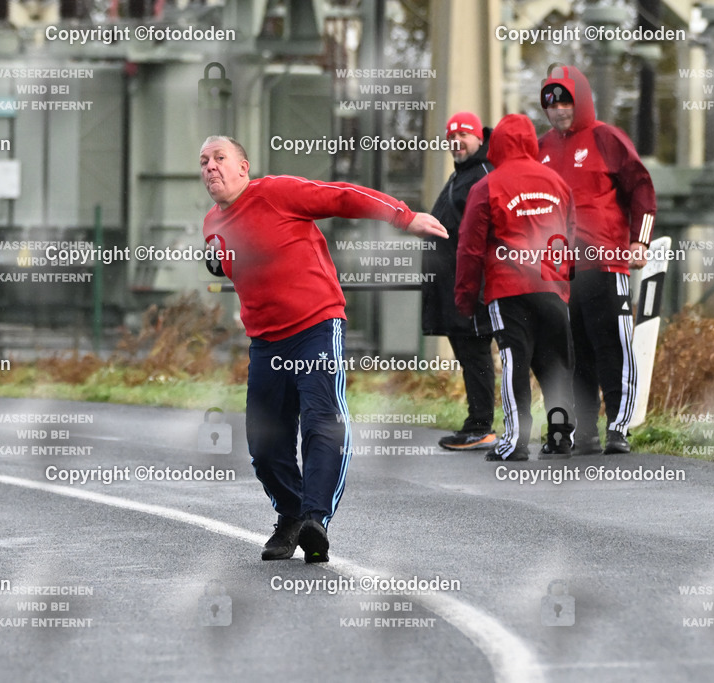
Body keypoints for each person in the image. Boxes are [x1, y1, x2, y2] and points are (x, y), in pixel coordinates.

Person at [199, 135, 448, 562]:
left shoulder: (277, 193)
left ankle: (316, 520)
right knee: (264, 445)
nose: (210, 168)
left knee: (321, 419)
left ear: (244, 166)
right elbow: (224, 261)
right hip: (265, 341)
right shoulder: (211, 223)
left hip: (316, 325)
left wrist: (403, 218)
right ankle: (292, 514)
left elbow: (343, 197)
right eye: (203, 162)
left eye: (220, 158)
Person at [538, 64, 657, 454]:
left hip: (605, 265)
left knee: (612, 347)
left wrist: (639, 242)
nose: (558, 110)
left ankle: (618, 429)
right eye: (551, 103)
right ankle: (585, 430)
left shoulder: (607, 139)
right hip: (559, 273)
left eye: (566, 101)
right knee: (574, 353)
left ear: (582, 100)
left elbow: (641, 186)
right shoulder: (541, 148)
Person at [455, 113, 576, 461]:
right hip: (551, 287)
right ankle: (559, 437)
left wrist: (465, 298)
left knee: (514, 360)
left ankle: (516, 442)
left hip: (508, 289)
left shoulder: (487, 186)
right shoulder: (557, 182)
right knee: (556, 363)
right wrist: (563, 285)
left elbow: (470, 247)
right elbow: (569, 235)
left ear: (498, 146)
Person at [422, 112, 497, 452]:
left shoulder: (482, 174)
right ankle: (477, 423)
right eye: (452, 137)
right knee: (469, 354)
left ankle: (481, 425)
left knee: (476, 352)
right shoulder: (462, 175)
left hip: (472, 287)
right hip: (454, 286)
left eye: (464, 135)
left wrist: (476, 287)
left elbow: (485, 232)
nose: (457, 142)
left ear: (480, 138)